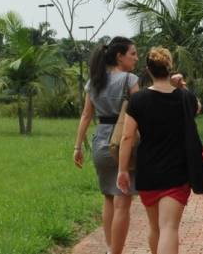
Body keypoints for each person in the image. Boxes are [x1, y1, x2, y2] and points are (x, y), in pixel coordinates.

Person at [117, 47, 203, 254]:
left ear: (148, 69)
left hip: (148, 172)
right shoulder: (185, 98)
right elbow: (197, 106)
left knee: (155, 228)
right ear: (170, 68)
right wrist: (181, 85)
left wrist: (122, 169)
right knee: (169, 228)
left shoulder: (138, 100)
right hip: (177, 173)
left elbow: (127, 137)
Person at [74, 37, 140, 254]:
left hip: (100, 141)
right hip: (123, 142)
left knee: (108, 198)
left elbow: (86, 115)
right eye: (133, 54)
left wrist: (77, 147)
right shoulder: (130, 80)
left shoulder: (93, 81)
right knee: (123, 201)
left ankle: (111, 248)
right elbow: (141, 112)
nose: (136, 59)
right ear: (119, 56)